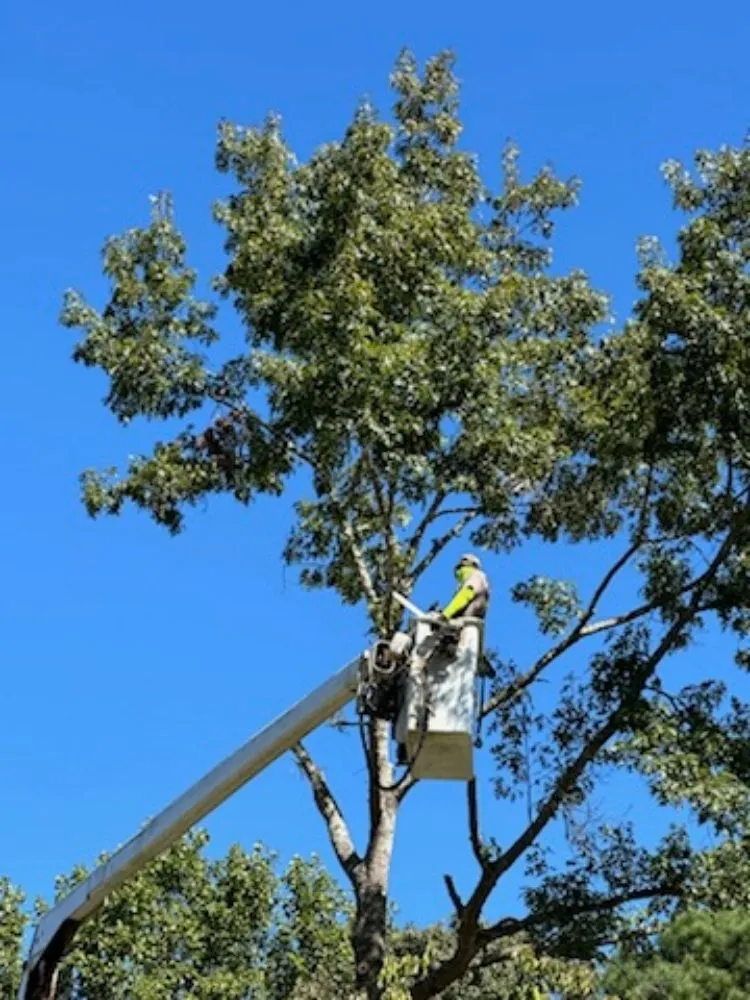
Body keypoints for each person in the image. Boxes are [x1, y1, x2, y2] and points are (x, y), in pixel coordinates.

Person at [439, 553, 490, 621]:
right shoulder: (480, 580)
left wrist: (445, 615)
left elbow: (466, 594)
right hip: (465, 620)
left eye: (462, 567)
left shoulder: (476, 576)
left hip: (467, 622)